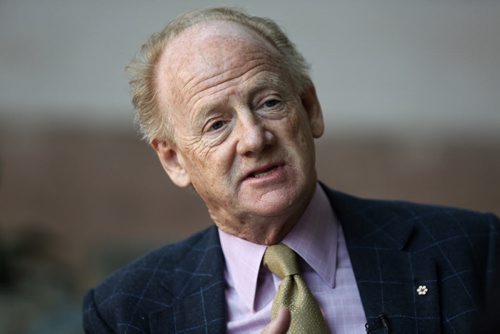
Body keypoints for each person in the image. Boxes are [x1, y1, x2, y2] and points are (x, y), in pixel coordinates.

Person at [83, 7, 499, 333]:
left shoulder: (469, 250)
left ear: (310, 109)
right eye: (216, 124)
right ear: (173, 159)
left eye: (269, 102)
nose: (254, 138)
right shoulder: (126, 311)